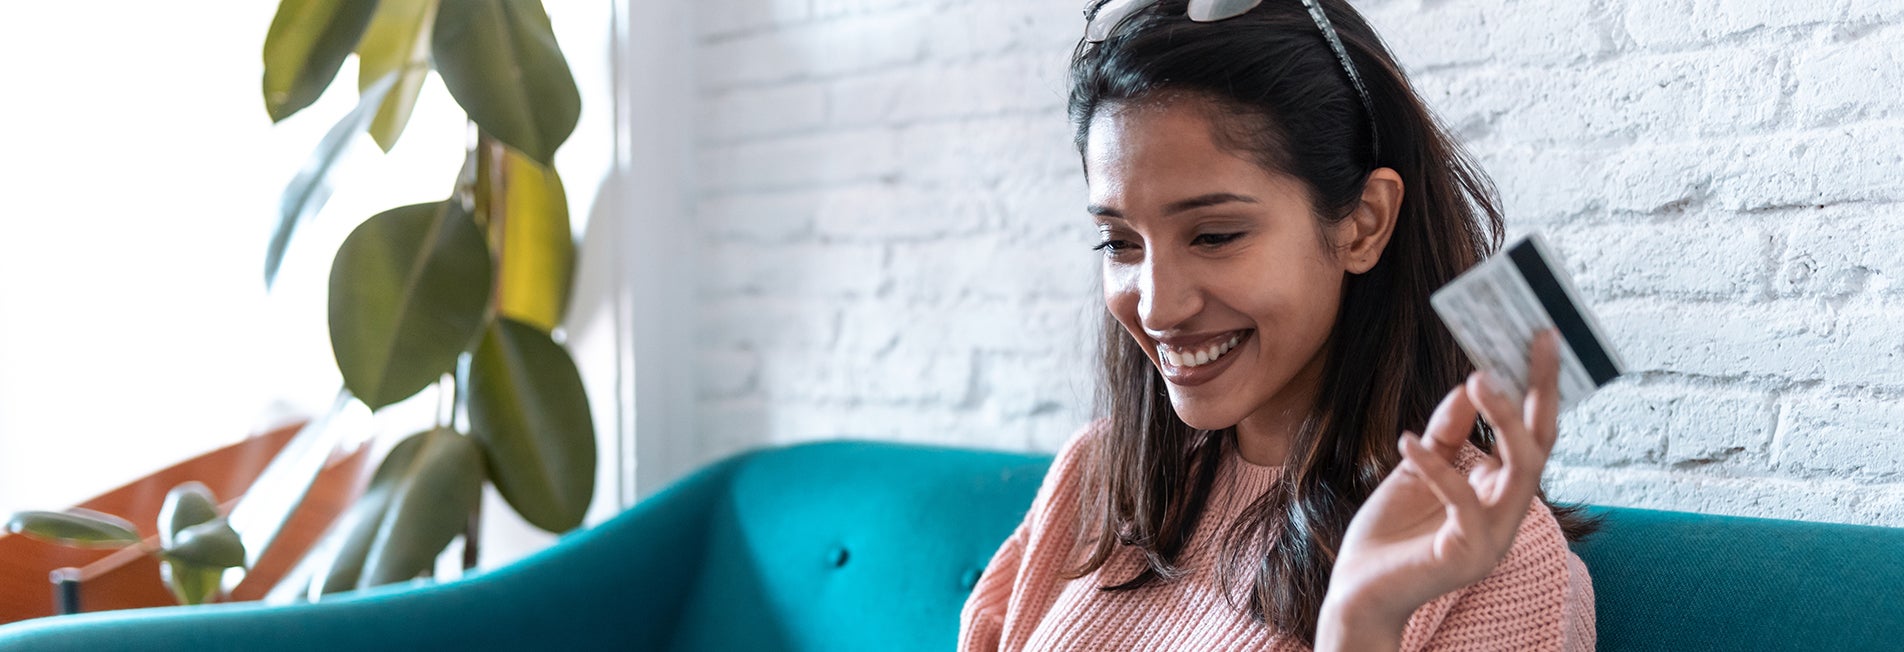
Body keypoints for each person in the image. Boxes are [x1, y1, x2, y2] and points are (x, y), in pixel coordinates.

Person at [956, 0, 1601, 650]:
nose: (1154, 308)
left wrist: (1359, 624)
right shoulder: (1095, 474)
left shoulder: (1487, 545)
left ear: (1365, 223)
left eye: (1213, 235)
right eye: (1119, 243)